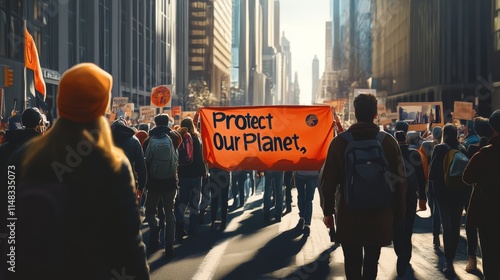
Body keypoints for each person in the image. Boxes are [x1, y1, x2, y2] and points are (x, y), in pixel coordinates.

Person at [11, 63, 150, 279]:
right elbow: (130, 245)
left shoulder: (25, 156)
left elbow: (10, 226)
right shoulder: (112, 163)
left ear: (60, 104)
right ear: (102, 107)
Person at [319, 93, 407, 280]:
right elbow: (400, 180)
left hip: (348, 214)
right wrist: (398, 214)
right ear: (376, 114)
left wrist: (328, 212)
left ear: (355, 112)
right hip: (379, 215)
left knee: (351, 263)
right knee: (371, 263)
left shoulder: (340, 142)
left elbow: (328, 181)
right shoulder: (387, 141)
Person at [428, 123, 469, 276]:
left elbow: (432, 173)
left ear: (444, 134)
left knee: (447, 226)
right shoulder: (462, 149)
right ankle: (451, 257)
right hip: (459, 192)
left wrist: (431, 194)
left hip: (443, 194)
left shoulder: (439, 148)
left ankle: (449, 261)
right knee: (456, 224)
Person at [143, 113, 180, 258]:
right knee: (169, 211)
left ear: (155, 123)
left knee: (150, 211)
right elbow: (176, 158)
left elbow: (146, 160)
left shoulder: (149, 140)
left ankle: (154, 231)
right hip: (170, 181)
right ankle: (169, 244)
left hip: (154, 182)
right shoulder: (174, 138)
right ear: (167, 122)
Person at [462, 115, 495, 275]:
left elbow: (467, 177)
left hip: (486, 209)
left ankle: (473, 259)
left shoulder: (482, 154)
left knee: (489, 254)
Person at [393, 131, 427, 277]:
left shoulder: (391, 154)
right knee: (408, 226)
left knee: (396, 226)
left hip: (394, 198)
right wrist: (423, 198)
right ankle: (406, 255)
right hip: (411, 196)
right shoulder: (414, 154)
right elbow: (421, 178)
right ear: (405, 139)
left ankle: (400, 252)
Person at [174, 117, 208, 239]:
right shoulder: (196, 139)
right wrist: (204, 172)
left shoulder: (178, 138)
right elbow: (200, 158)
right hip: (195, 174)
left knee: (182, 201)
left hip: (182, 174)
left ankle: (179, 225)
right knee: (195, 201)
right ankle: (193, 228)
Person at [111, 117, 147, 202]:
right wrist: (141, 187)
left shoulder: (105, 140)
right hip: (128, 181)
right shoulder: (134, 141)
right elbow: (141, 165)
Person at [420, 126, 443, 246]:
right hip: (443, 182)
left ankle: (436, 236)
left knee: (434, 208)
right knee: (441, 210)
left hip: (430, 180)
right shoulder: (445, 147)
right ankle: (446, 233)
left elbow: (421, 143)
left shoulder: (427, 146)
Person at [294, 170, 320, 236]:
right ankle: (307, 223)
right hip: (313, 174)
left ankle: (302, 217)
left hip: (300, 173)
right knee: (309, 200)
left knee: (301, 197)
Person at [208, 167, 230, 231]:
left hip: (214, 173)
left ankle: (213, 221)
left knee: (214, 198)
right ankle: (223, 221)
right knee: (224, 198)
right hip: (225, 173)